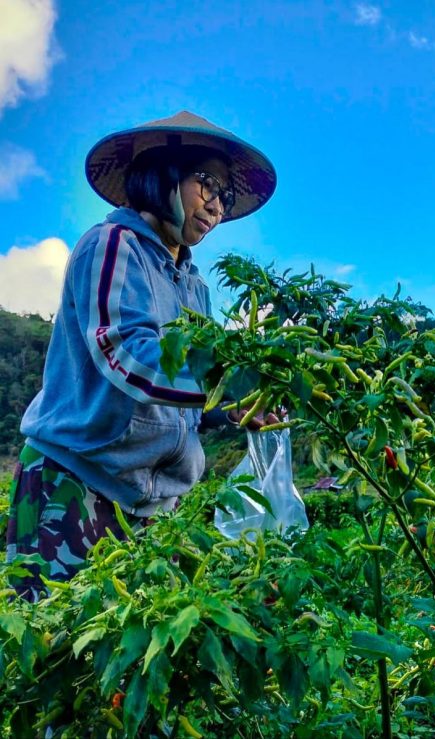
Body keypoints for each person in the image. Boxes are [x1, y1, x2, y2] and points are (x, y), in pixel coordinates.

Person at [5, 111, 277, 600]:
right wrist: (227, 381)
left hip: (153, 505)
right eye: (208, 185)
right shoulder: (112, 246)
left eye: (226, 196)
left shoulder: (194, 285)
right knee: (52, 649)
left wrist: (231, 408)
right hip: (76, 483)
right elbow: (124, 352)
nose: (216, 207)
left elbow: (184, 394)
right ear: (165, 172)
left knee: (130, 660)